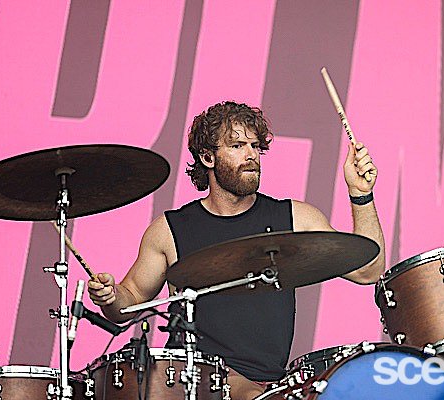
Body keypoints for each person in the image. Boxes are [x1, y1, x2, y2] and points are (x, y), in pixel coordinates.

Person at [88, 101, 385, 400]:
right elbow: (127, 303)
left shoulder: (294, 218)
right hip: (192, 382)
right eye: (237, 146)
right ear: (207, 157)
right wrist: (110, 297)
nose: (251, 155)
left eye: (255, 146)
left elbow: (368, 271)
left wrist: (360, 194)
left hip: (266, 386)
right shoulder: (170, 230)